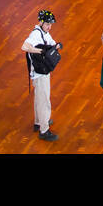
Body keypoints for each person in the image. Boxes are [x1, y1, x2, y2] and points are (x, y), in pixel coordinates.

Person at [21, 9, 60, 142]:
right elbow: (24, 47)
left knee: (39, 98)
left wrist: (57, 45)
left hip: (42, 71)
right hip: (39, 74)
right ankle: (44, 130)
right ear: (41, 22)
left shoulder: (44, 33)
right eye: (48, 24)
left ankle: (38, 122)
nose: (50, 27)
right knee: (44, 101)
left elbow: (51, 43)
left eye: (51, 24)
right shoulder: (35, 35)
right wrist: (40, 51)